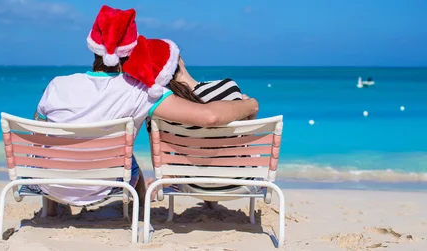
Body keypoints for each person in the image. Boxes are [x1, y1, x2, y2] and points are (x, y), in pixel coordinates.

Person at [33, 5, 258, 216]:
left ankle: (51, 214)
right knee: (132, 166)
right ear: (131, 49)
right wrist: (250, 105)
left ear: (92, 46)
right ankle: (138, 216)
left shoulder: (57, 84)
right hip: (104, 185)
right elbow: (210, 116)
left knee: (52, 149)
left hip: (51, 183)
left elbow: (38, 133)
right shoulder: (139, 91)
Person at [123, 36, 260, 209]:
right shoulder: (228, 87)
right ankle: (212, 200)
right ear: (179, 59)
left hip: (191, 184)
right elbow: (243, 139)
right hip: (238, 181)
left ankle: (208, 194)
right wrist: (251, 105)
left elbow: (161, 165)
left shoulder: (162, 110)